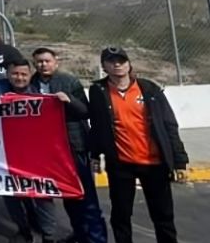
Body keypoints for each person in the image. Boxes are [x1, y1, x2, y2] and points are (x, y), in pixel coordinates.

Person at [88, 47, 188, 243]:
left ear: (128, 64)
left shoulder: (149, 88)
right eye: (111, 61)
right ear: (104, 66)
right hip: (121, 163)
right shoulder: (98, 91)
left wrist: (180, 161)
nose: (117, 65)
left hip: (154, 163)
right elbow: (97, 124)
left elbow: (169, 124)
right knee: (121, 215)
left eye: (121, 60)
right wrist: (95, 154)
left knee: (163, 216)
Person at [31, 48, 107, 243]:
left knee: (86, 195)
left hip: (74, 146)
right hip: (48, 148)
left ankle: (96, 238)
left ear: (55, 62)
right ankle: (79, 234)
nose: (43, 65)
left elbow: (85, 111)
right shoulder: (31, 84)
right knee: (68, 195)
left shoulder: (69, 81)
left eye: (47, 61)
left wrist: (69, 100)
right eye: (39, 61)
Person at [0, 59, 59, 243]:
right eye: (15, 73)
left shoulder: (39, 92)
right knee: (11, 195)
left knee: (43, 195)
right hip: (6, 154)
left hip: (37, 155)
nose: (19, 77)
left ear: (29, 74)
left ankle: (48, 235)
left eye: (24, 74)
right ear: (8, 74)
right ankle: (23, 230)